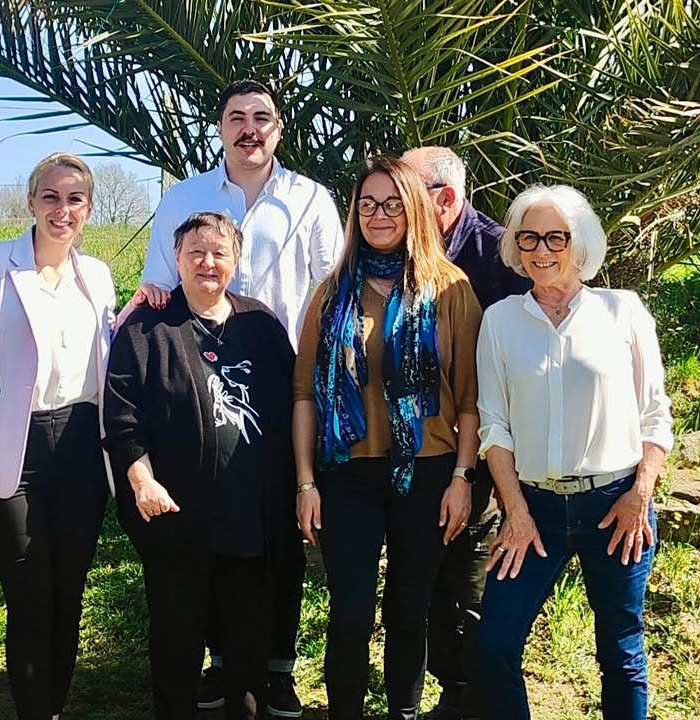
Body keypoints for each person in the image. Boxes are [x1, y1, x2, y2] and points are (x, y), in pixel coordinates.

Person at [141, 78, 344, 716]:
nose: (249, 128)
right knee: (212, 524)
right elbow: (156, 283)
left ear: (278, 129)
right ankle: (222, 661)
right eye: (236, 117)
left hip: (286, 382)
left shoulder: (310, 199)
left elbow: (332, 289)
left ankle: (275, 666)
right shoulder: (186, 197)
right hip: (200, 380)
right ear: (221, 128)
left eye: (261, 117)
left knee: (278, 529)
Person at [0, 152, 164, 720]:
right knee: (30, 599)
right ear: (31, 202)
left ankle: (53, 710)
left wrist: (136, 311)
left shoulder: (96, 274)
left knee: (69, 596)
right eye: (51, 196)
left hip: (81, 449)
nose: (62, 209)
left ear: (89, 208)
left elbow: (105, 350)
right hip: (13, 451)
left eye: (75, 199)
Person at [293, 156, 483, 720]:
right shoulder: (331, 294)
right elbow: (304, 393)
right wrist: (305, 482)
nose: (379, 215)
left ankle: (403, 711)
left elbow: (471, 400)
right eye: (368, 204)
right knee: (350, 613)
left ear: (415, 210)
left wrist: (462, 478)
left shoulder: (450, 290)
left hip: (427, 472)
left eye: (393, 204)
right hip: (345, 475)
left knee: (409, 609)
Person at [476, 185, 673, 720]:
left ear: (579, 241)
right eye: (529, 238)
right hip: (533, 510)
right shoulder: (500, 320)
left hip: (616, 506)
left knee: (621, 650)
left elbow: (655, 414)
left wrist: (640, 493)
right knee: (494, 643)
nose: (541, 250)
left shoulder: (623, 311)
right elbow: (494, 426)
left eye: (555, 237)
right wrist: (515, 511)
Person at [104, 212, 302, 720]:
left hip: (250, 521)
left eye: (219, 253)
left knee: (248, 648)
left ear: (236, 260)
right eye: (195, 252)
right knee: (177, 644)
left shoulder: (262, 325)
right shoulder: (146, 329)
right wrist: (142, 480)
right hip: (177, 521)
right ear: (177, 259)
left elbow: (293, 407)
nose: (207, 262)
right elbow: (122, 419)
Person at [401, 146, 531, 720]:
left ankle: (476, 697)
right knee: (432, 577)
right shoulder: (400, 252)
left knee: (473, 580)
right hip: (422, 447)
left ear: (446, 199)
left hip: (489, 451)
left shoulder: (502, 258)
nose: (393, 206)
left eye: (406, 193)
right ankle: (452, 690)